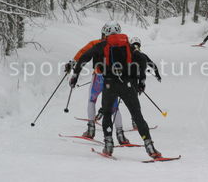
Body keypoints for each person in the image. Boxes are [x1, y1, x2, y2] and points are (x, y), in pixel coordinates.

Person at [69, 21, 162, 158]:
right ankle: (150, 147)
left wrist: (75, 76)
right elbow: (142, 59)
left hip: (109, 84)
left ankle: (108, 145)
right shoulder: (128, 46)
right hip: (128, 85)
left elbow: (84, 58)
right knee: (137, 115)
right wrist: (141, 80)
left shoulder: (101, 45)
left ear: (105, 33)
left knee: (107, 114)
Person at [65, 26, 129, 145]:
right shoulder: (123, 45)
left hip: (98, 78)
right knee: (115, 107)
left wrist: (73, 63)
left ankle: (91, 129)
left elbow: (83, 53)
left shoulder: (96, 43)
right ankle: (121, 135)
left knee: (92, 100)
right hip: (114, 80)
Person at [129, 36, 162, 129]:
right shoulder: (142, 55)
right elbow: (153, 65)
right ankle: (135, 121)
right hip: (137, 81)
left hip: (126, 80)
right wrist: (157, 75)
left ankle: (102, 113)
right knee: (134, 102)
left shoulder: (127, 54)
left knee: (115, 97)